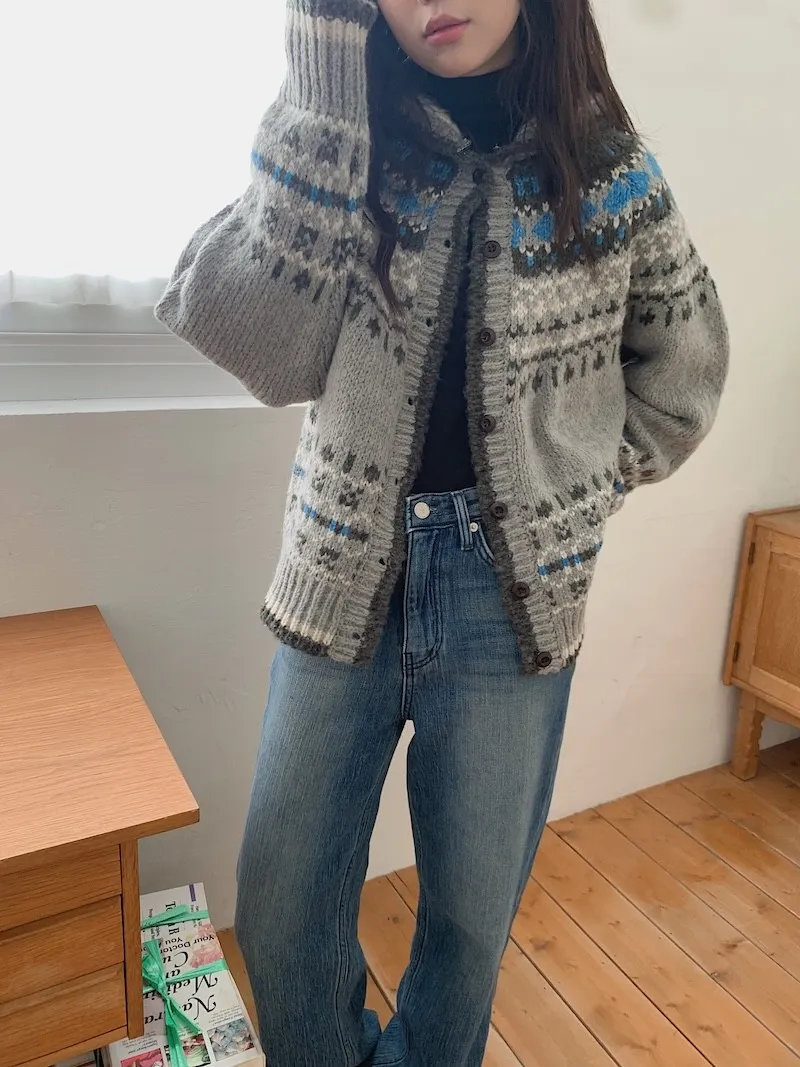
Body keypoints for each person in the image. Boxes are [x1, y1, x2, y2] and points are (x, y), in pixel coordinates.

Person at [154, 0, 729, 1063]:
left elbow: (686, 369)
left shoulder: (606, 169)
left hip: (510, 599)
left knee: (469, 923)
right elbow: (264, 349)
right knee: (279, 907)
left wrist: (580, 488)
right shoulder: (345, 139)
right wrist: (320, 86)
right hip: (341, 570)